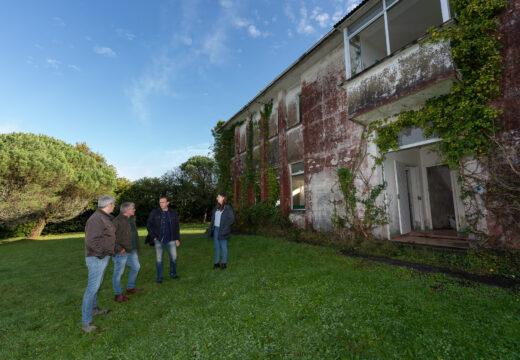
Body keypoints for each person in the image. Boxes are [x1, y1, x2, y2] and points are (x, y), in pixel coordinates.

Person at [81, 195, 116, 333]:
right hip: (96, 258)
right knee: (91, 290)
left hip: (102, 256)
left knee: (97, 286)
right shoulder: (95, 219)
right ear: (109, 205)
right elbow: (91, 241)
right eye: (113, 204)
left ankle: (94, 309)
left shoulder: (105, 217)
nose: (114, 206)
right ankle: (86, 323)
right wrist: (103, 254)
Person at [112, 202, 143, 303]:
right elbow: (109, 237)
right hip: (121, 251)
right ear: (127, 210)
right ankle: (118, 295)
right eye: (133, 208)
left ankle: (130, 289)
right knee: (118, 273)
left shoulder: (131, 219)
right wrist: (119, 248)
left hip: (131, 249)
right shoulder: (116, 221)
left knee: (136, 267)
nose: (134, 210)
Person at [146, 196, 181, 283]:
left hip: (171, 239)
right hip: (158, 239)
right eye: (160, 202)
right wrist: (153, 236)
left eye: (163, 202)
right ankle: (159, 278)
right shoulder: (155, 212)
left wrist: (177, 239)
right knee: (159, 259)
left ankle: (173, 274)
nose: (161, 204)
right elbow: (149, 225)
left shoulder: (172, 212)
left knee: (174, 258)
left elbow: (176, 227)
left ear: (167, 203)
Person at [207, 193, 234, 270]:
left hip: (223, 230)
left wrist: (225, 228)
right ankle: (216, 263)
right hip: (215, 229)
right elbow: (213, 219)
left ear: (223, 198)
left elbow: (231, 220)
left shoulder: (228, 208)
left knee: (223, 247)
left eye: (218, 197)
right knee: (217, 247)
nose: (217, 198)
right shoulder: (216, 207)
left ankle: (224, 263)